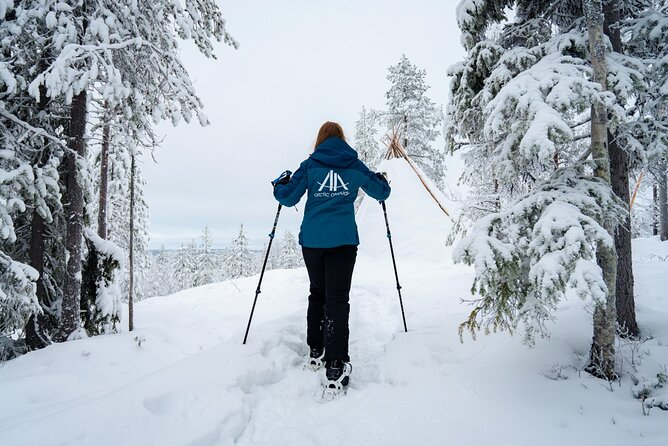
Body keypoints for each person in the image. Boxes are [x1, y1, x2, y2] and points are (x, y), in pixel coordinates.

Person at [272, 121, 391, 393]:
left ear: (320, 140)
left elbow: (288, 198)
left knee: (318, 292)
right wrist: (382, 181)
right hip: (343, 241)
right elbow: (381, 192)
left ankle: (316, 349)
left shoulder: (311, 165)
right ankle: (336, 363)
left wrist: (279, 184)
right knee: (337, 299)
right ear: (342, 139)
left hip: (313, 242)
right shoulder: (353, 164)